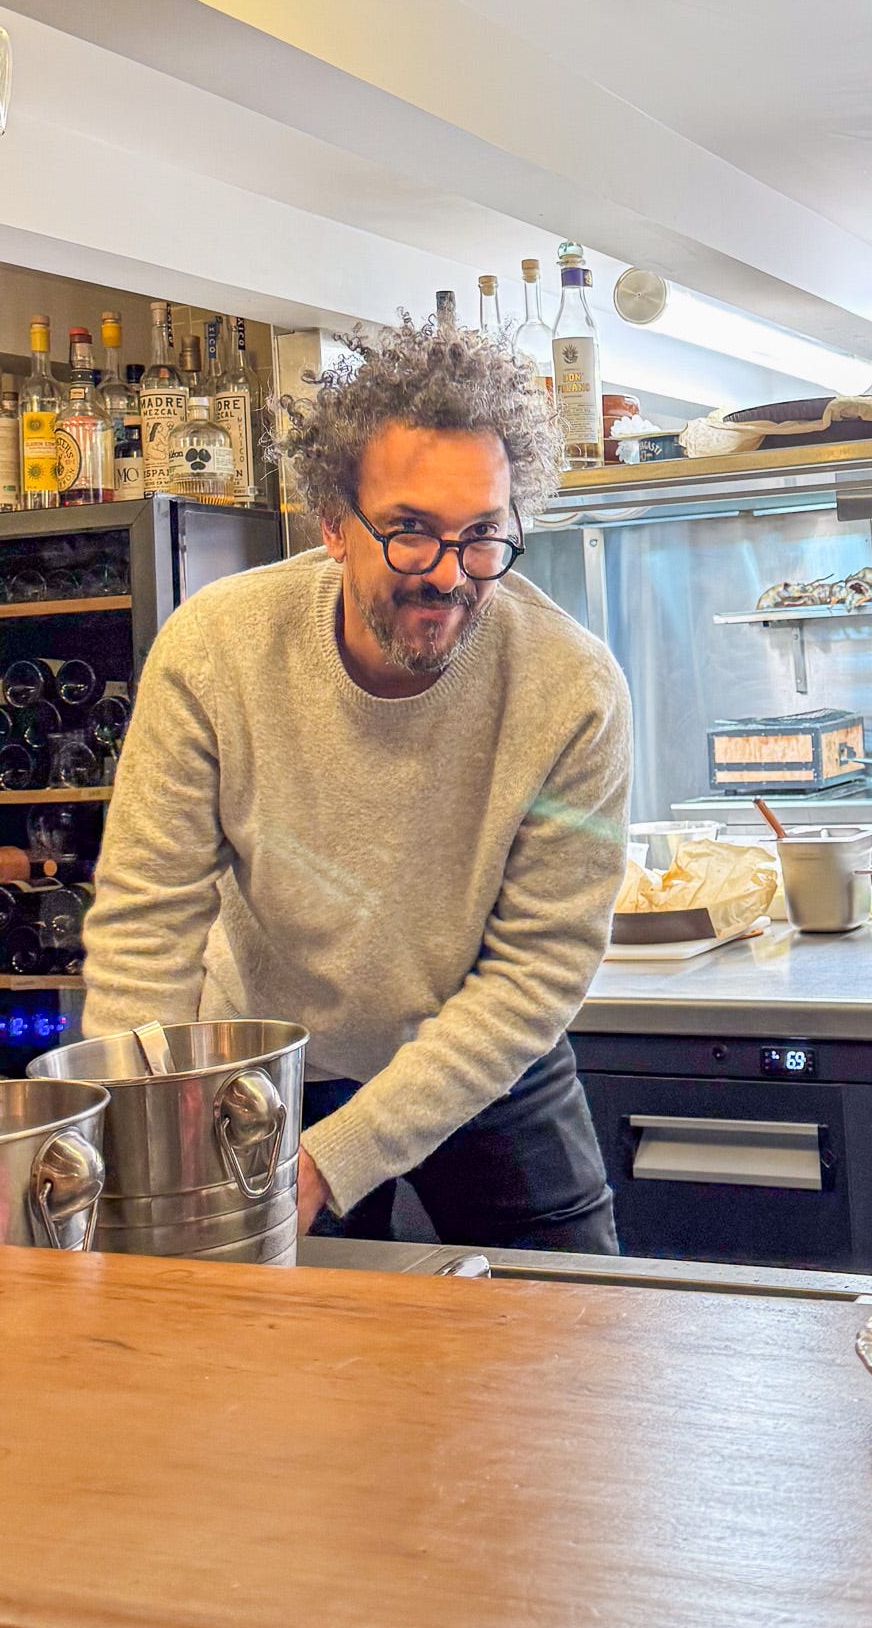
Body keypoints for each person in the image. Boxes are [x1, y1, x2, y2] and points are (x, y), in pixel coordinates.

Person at [79, 317, 633, 1251]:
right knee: (267, 1335)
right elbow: (147, 924)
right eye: (410, 533)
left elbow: (538, 968)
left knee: (570, 1318)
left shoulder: (572, 690)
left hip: (486, 1054)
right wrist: (139, 1147)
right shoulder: (218, 650)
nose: (449, 577)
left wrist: (334, 1160)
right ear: (333, 524)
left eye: (482, 536)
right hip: (265, 1059)